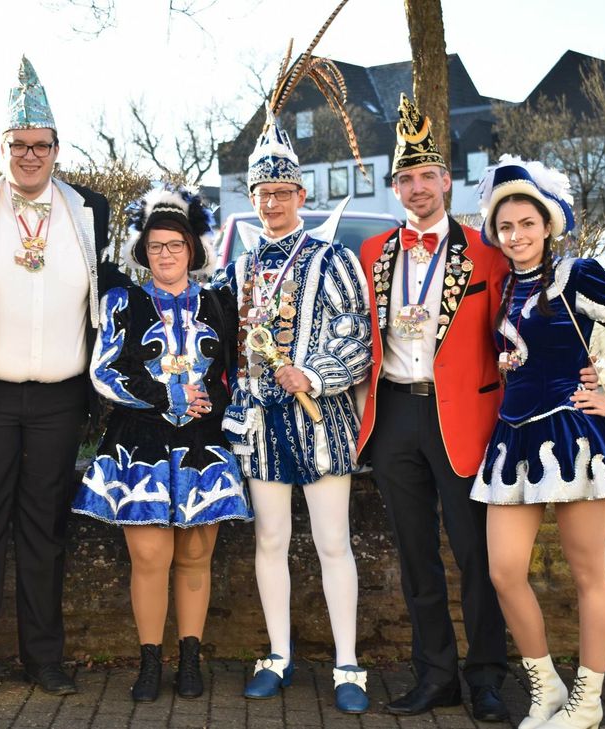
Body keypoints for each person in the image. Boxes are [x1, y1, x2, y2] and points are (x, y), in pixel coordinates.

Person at [0, 54, 124, 700]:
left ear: (58, 149)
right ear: (2, 147)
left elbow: (113, 291)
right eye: (19, 144)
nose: (30, 155)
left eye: (41, 145)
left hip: (61, 400)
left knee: (46, 528)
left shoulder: (89, 209)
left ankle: (44, 659)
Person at [470, 156, 605, 729]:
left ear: (548, 223)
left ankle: (589, 698)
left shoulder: (577, 274)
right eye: (506, 227)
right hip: (513, 441)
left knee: (587, 571)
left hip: (574, 438)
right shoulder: (503, 287)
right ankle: (547, 685)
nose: (517, 235)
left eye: (527, 223)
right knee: (504, 571)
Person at [214, 74, 373, 712]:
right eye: (263, 193)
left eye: (282, 192)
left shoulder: (333, 259)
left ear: (301, 193)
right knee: (270, 541)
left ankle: (348, 666)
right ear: (251, 196)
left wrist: (312, 373)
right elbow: (224, 348)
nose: (273, 203)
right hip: (258, 424)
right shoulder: (239, 268)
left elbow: (360, 342)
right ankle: (277, 655)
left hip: (320, 422)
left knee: (333, 542)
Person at [355, 94, 511, 722]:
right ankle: (435, 675)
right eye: (406, 179)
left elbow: (516, 331)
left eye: (427, 176)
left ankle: (488, 677)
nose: (417, 188)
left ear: (447, 181)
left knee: (475, 554)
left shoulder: (488, 254)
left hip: (465, 422)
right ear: (395, 188)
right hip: (393, 414)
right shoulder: (372, 256)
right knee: (415, 553)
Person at [72, 186, 252, 702]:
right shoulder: (123, 303)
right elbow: (104, 372)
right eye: (156, 246)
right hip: (139, 444)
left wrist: (212, 405)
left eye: (176, 244)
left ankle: (190, 659)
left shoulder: (220, 301)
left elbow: (234, 372)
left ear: (193, 249)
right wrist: (165, 394)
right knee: (149, 556)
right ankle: (150, 661)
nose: (167, 254)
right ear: (143, 252)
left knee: (196, 556)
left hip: (203, 445)